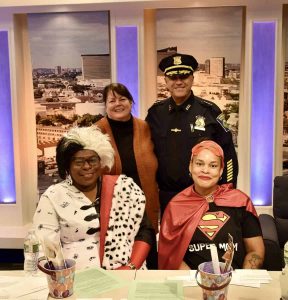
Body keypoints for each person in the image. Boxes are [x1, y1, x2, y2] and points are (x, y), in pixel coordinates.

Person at [33, 126, 154, 270]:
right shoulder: (53, 196)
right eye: (78, 162)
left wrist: (130, 267)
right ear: (68, 166)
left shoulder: (124, 188)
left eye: (92, 160)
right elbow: (46, 246)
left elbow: (145, 231)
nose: (86, 166)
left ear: (101, 161)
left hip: (127, 274)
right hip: (75, 280)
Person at [146, 53, 239, 216]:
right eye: (173, 77)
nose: (179, 82)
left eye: (184, 76)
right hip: (166, 196)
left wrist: (227, 190)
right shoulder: (155, 113)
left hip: (202, 196)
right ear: (166, 81)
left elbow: (228, 153)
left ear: (192, 79)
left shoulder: (209, 111)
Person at [158, 140, 264, 270]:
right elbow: (171, 256)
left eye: (213, 166)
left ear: (221, 171)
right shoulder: (176, 206)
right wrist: (196, 283)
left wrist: (241, 282)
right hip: (192, 283)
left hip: (235, 282)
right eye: (199, 164)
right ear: (190, 167)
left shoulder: (240, 202)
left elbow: (255, 251)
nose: (205, 170)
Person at [95, 83, 159, 269]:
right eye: (112, 100)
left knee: (149, 254)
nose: (118, 104)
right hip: (115, 208)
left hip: (147, 204)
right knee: (119, 259)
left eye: (122, 99)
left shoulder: (144, 127)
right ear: (105, 105)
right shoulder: (96, 131)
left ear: (131, 102)